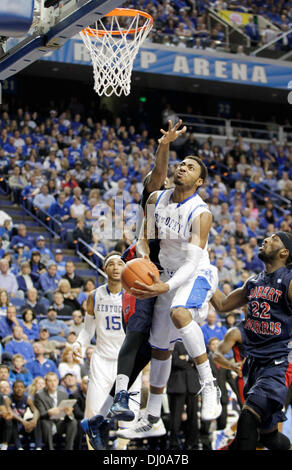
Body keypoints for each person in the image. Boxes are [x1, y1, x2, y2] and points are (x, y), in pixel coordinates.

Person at [116, 155, 220, 440]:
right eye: (182, 164)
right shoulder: (156, 200)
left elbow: (191, 262)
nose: (182, 168)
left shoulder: (201, 213)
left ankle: (209, 384)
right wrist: (144, 255)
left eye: (191, 167)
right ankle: (152, 419)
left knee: (179, 311)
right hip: (167, 276)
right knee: (160, 348)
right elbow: (143, 237)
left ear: (199, 181)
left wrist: (166, 285)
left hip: (195, 273)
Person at [210, 231, 292, 450]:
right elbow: (223, 305)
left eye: (274, 239)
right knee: (268, 437)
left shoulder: (289, 281)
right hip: (252, 367)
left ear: (284, 252)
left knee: (246, 421)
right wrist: (203, 275)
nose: (266, 239)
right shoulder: (253, 282)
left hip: (276, 365)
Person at [72, 252, 142, 450]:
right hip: (102, 360)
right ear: (105, 269)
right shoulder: (94, 296)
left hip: (127, 363)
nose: (116, 267)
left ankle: (121, 451)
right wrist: (79, 344)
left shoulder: (134, 295)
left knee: (129, 417)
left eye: (120, 264)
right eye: (111, 264)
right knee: (93, 415)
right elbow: (87, 330)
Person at [166, 341, 201, 450]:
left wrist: (185, 358)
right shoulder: (172, 343)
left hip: (192, 386)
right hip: (177, 386)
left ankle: (192, 443)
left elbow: (199, 361)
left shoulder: (194, 344)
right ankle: (173, 444)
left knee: (193, 417)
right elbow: (174, 361)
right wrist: (190, 362)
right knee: (175, 418)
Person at [33, 371, 77, 450]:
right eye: (50, 381)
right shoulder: (39, 395)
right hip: (47, 422)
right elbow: (42, 414)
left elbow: (69, 413)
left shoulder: (63, 394)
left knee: (73, 422)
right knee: (45, 422)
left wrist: (69, 413)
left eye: (54, 381)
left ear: (57, 382)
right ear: (46, 383)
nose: (53, 383)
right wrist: (49, 412)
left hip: (60, 422)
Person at [6, 380, 40, 450]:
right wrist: (23, 421)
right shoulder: (8, 398)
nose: (19, 389)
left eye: (21, 387)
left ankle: (38, 447)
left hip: (22, 426)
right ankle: (19, 447)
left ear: (24, 389)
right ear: (13, 389)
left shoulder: (27, 399)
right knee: (12, 420)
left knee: (36, 421)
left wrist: (34, 420)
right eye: (17, 387)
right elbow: (10, 412)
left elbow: (36, 411)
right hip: (10, 428)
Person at [70, 375, 88, 450]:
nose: (88, 385)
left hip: (92, 419)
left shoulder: (96, 395)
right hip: (80, 420)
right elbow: (77, 413)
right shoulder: (74, 395)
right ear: (81, 384)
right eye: (86, 383)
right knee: (80, 423)